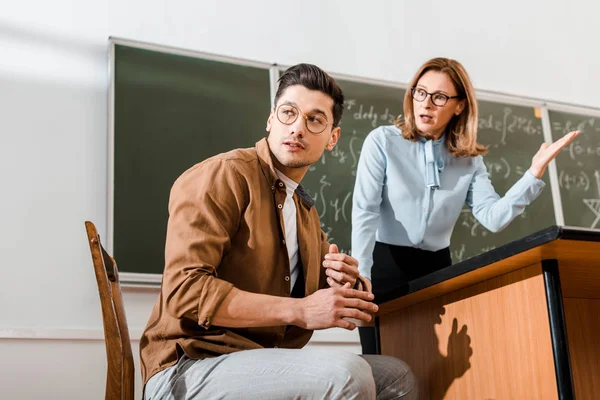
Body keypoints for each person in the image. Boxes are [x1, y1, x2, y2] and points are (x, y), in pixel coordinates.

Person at [140, 63, 418, 400]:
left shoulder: (303, 210)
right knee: (347, 375)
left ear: (332, 138)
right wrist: (301, 311)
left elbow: (320, 291)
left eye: (315, 120)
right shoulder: (223, 176)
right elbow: (184, 291)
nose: (298, 128)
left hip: (257, 360)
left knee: (395, 375)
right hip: (187, 366)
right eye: (289, 113)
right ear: (271, 120)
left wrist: (347, 284)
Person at [350, 57, 580, 355]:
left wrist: (532, 173)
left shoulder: (469, 160)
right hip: (384, 265)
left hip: (437, 270)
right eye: (420, 92)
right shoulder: (382, 141)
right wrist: (362, 278)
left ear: (459, 106)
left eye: (440, 97)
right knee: (379, 365)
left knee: (431, 367)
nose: (426, 103)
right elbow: (365, 212)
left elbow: (493, 218)